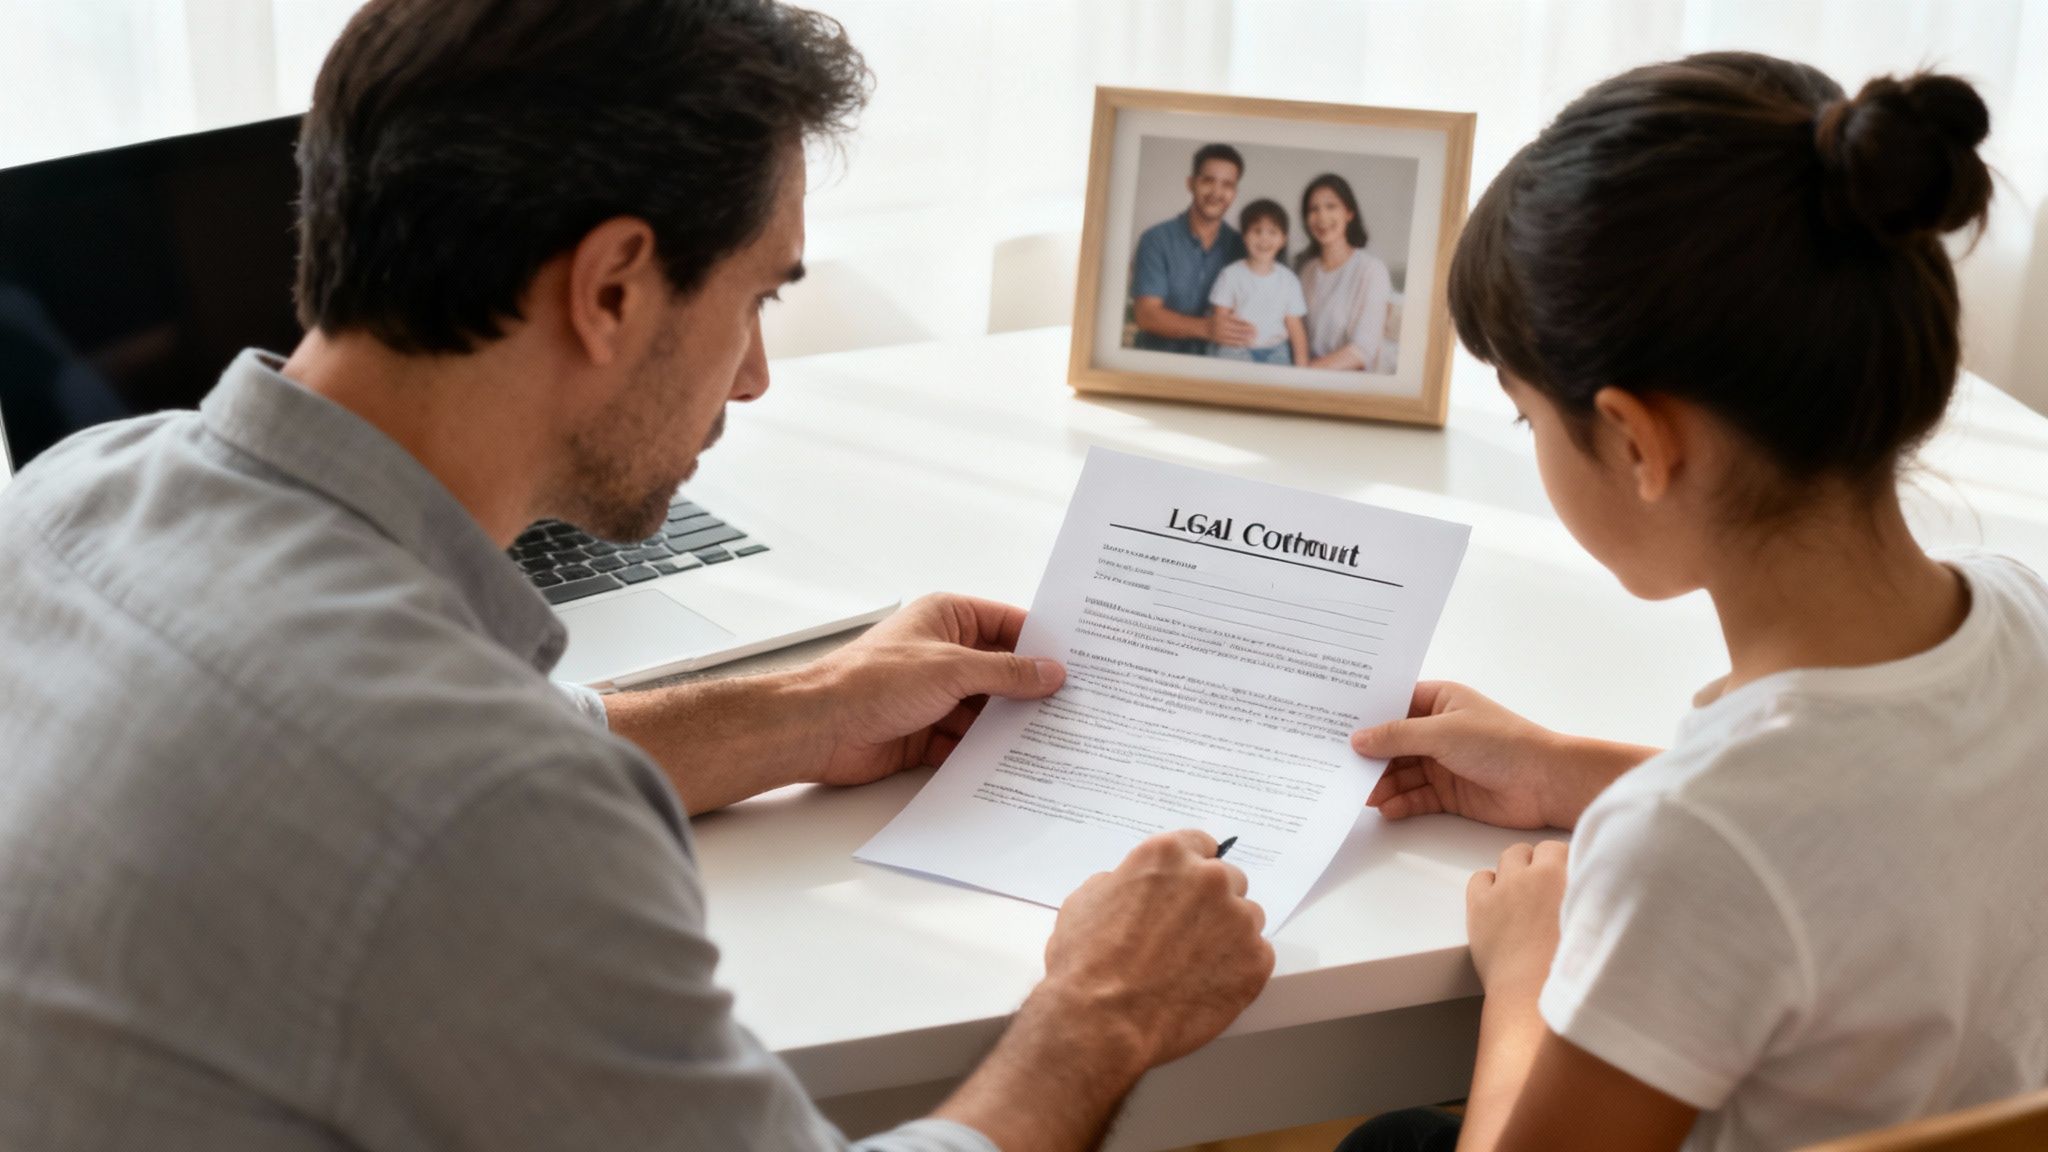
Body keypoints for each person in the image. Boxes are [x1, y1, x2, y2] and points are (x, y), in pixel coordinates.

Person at [0, 3, 1276, 1151]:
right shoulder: (481, 810)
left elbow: (359, 775)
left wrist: (811, 709)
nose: (754, 376)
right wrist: (1101, 1010)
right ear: (611, 287)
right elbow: (448, 799)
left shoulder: (79, 493)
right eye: (756, 298)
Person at [1336, 53, 2048, 1152]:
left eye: (1528, 421)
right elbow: (1866, 823)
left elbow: (1728, 852)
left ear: (1633, 440)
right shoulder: (2022, 620)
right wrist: (1564, 771)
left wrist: (1527, 975)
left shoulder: (1687, 846)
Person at [1129, 142, 1255, 354]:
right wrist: (1207, 328)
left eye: (1227, 185)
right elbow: (1146, 315)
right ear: (1191, 184)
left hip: (1217, 369)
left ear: (1234, 193)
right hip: (1157, 365)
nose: (1216, 192)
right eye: (1208, 181)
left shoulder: (1242, 248)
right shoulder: (1156, 240)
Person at [1295, 174, 1393, 373]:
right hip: (1309, 374)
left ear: (1349, 213)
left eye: (1331, 206)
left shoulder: (1371, 270)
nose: (1322, 217)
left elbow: (1363, 351)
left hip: (1349, 380)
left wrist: (1304, 374)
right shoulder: (1307, 271)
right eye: (1314, 209)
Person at [1207, 197, 1308, 366]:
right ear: (1245, 236)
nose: (1264, 239)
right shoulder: (1230, 275)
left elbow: (1296, 330)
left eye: (1272, 232)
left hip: (1275, 350)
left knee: (1278, 387)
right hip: (1237, 347)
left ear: (1283, 239)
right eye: (1256, 231)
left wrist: (1302, 371)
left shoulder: (1289, 281)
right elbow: (1220, 319)